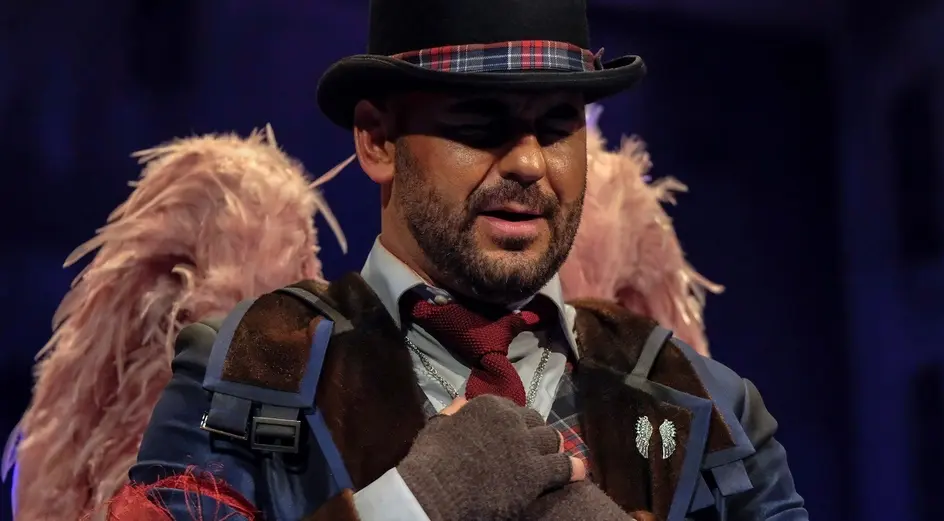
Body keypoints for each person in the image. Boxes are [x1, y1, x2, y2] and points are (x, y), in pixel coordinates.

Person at [20, 0, 809, 519]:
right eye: (480, 123)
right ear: (377, 140)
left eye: (557, 126)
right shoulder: (245, 371)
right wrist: (410, 503)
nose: (528, 163)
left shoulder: (711, 407)